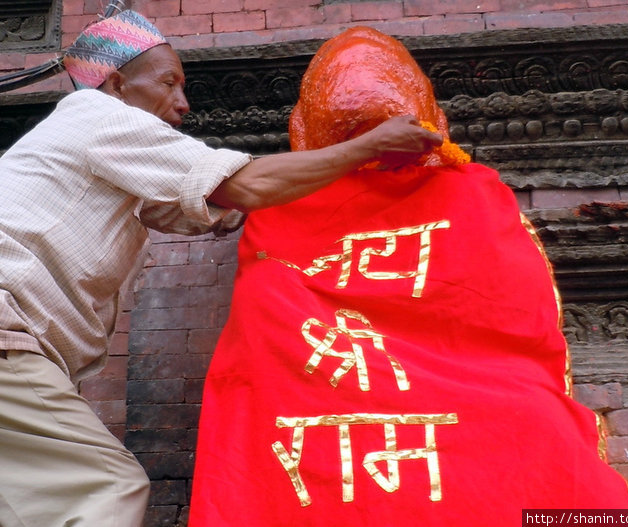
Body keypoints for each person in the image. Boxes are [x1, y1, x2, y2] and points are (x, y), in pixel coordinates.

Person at [0, 10, 442, 527]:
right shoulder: (93, 113)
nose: (183, 104)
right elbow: (248, 185)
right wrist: (364, 147)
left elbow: (233, 206)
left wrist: (339, 178)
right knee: (104, 489)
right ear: (118, 85)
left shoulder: (124, 173)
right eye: (168, 83)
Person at [189, 26, 628, 526]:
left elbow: (505, 323)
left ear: (301, 130)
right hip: (358, 404)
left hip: (382, 414)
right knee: (530, 421)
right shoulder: (277, 204)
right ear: (436, 123)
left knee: (530, 419)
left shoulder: (283, 200)